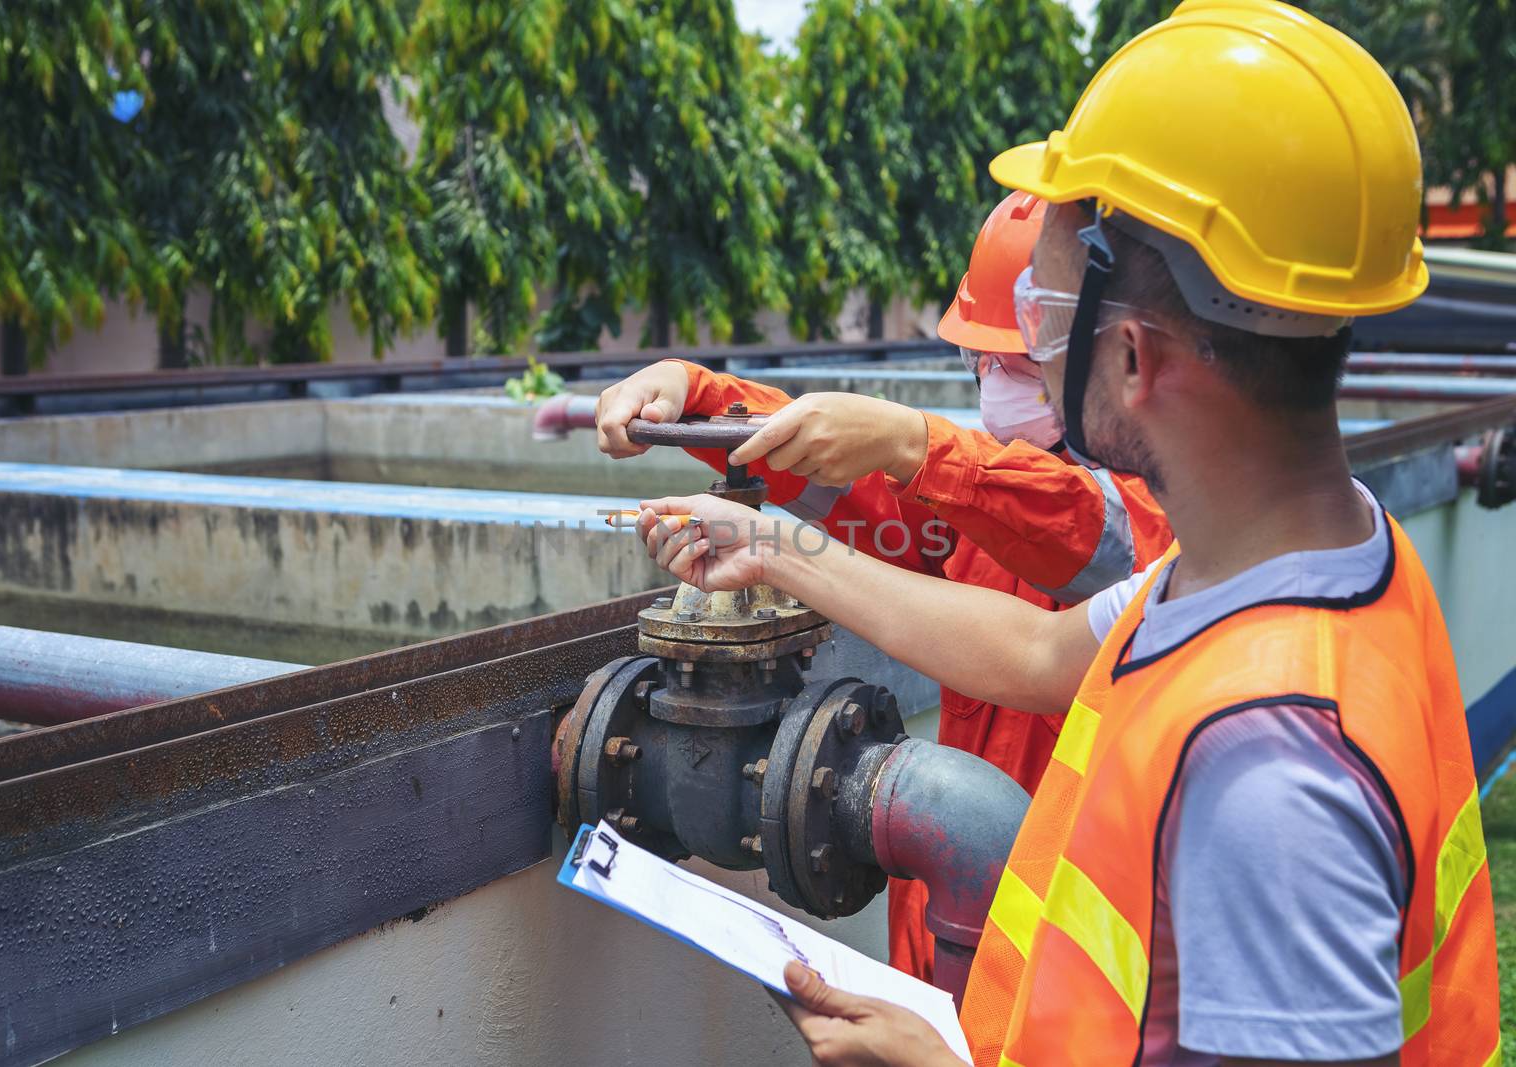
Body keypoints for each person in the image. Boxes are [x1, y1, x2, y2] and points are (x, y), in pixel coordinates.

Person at [629, 1, 1500, 1063]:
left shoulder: (1269, 776)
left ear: (1132, 357)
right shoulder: (1295, 559)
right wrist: (773, 550)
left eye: (1039, 315)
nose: (1024, 355)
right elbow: (1033, 651)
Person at [596, 191, 1171, 983]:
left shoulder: (1159, 520)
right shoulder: (977, 505)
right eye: (980, 361)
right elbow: (856, 489)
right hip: (961, 925)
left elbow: (1075, 533)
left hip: (1082, 953)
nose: (990, 382)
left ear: (1120, 352)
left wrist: (914, 442)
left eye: (1014, 361)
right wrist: (696, 395)